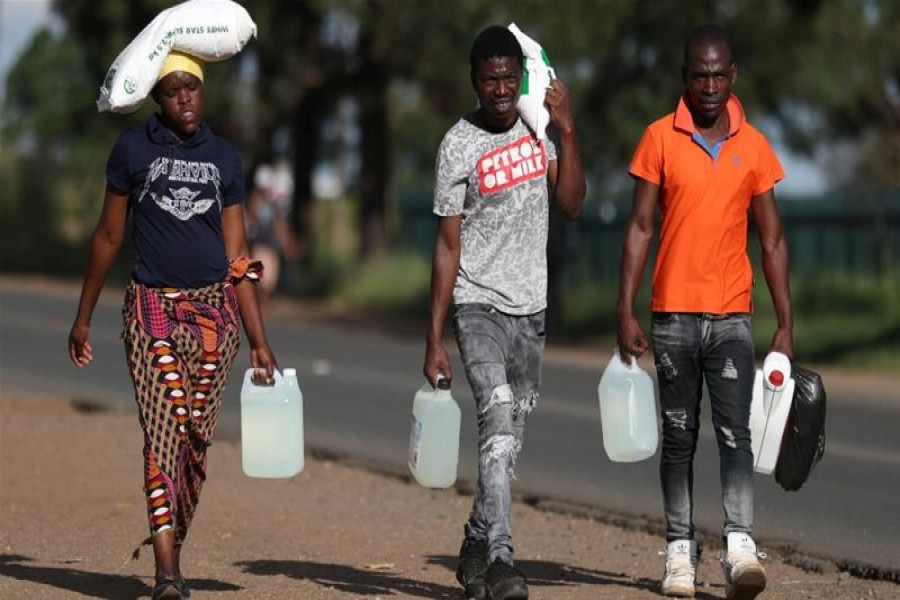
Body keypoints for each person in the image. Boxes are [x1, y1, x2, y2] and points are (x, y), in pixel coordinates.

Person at [68, 50, 277, 600]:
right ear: (157, 98)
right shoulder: (132, 150)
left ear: (204, 91)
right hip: (150, 309)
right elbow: (109, 237)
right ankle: (166, 574)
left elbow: (238, 256)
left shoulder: (226, 159)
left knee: (194, 441)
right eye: (173, 90)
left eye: (193, 88)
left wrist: (259, 340)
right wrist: (83, 318)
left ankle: (171, 549)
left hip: (215, 315)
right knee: (163, 434)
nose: (184, 98)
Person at [615, 25, 793, 600]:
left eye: (719, 74)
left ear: (733, 74)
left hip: (733, 318)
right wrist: (626, 308)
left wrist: (786, 323)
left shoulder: (755, 147)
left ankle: (739, 546)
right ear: (684, 77)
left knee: (736, 434)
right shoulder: (658, 139)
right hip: (672, 317)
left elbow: (771, 240)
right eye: (700, 74)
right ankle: (678, 555)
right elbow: (641, 227)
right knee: (678, 437)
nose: (710, 85)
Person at [423, 25, 585, 600]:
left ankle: (473, 539)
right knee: (493, 416)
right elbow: (446, 245)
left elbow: (570, 205)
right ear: (474, 82)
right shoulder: (457, 145)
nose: (499, 88)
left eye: (508, 78)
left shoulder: (539, 129)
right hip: (476, 303)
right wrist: (434, 337)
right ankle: (500, 561)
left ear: (521, 78)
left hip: (531, 309)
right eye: (489, 79)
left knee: (505, 442)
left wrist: (566, 128)